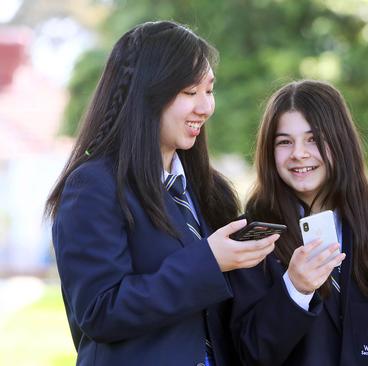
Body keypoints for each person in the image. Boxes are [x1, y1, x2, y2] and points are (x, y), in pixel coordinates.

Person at [44, 20, 277, 365]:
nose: (205, 107)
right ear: (147, 94)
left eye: (209, 90)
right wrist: (208, 262)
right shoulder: (92, 187)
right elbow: (99, 312)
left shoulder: (209, 190)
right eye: (189, 92)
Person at [227, 80, 368, 365]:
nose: (299, 153)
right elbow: (247, 352)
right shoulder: (247, 242)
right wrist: (294, 289)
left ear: (340, 143)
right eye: (284, 142)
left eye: (313, 139)